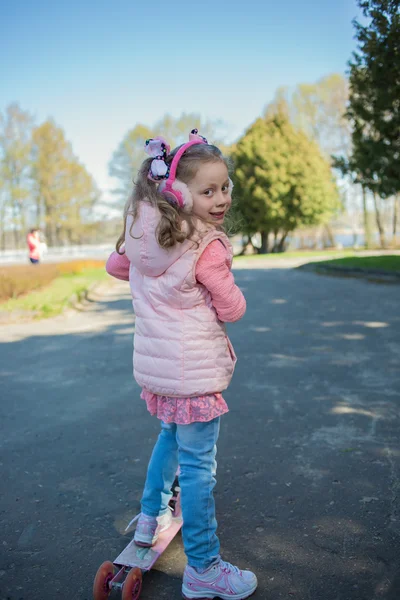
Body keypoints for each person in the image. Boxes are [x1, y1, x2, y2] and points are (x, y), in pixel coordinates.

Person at [106, 129, 257, 600]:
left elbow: (115, 267)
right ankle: (205, 567)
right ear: (177, 192)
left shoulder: (142, 233)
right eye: (208, 190)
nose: (221, 198)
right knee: (197, 466)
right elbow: (232, 309)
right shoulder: (205, 246)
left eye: (225, 186)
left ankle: (151, 517)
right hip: (194, 373)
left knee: (169, 438)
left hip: (160, 371)